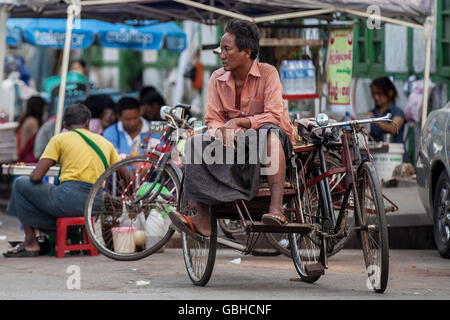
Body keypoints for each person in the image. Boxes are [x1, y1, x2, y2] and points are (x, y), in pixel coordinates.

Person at [169, 19, 294, 238]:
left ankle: (276, 208)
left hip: (270, 137)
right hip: (234, 142)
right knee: (194, 144)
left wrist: (239, 123)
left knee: (267, 135)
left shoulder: (268, 73)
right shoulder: (217, 78)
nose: (221, 55)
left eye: (227, 49)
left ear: (246, 51)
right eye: (221, 49)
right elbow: (213, 118)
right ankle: (204, 219)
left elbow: (274, 115)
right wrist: (222, 131)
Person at [3, 103, 122, 257]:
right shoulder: (105, 142)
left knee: (20, 184)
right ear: (87, 123)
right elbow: (124, 172)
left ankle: (31, 242)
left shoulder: (59, 139)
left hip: (68, 200)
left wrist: (37, 177)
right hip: (96, 203)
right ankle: (65, 233)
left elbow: (37, 177)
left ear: (64, 124)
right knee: (44, 196)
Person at [369, 77, 406, 144]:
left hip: (394, 152)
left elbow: (394, 129)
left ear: (390, 93)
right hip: (376, 153)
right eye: (374, 94)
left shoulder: (397, 112)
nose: (376, 97)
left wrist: (374, 120)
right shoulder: (373, 112)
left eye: (379, 94)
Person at [16, 96, 46, 163]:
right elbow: (37, 141)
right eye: (44, 108)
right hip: (28, 159)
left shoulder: (25, 120)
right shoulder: (33, 122)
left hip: (21, 158)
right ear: (39, 108)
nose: (45, 110)